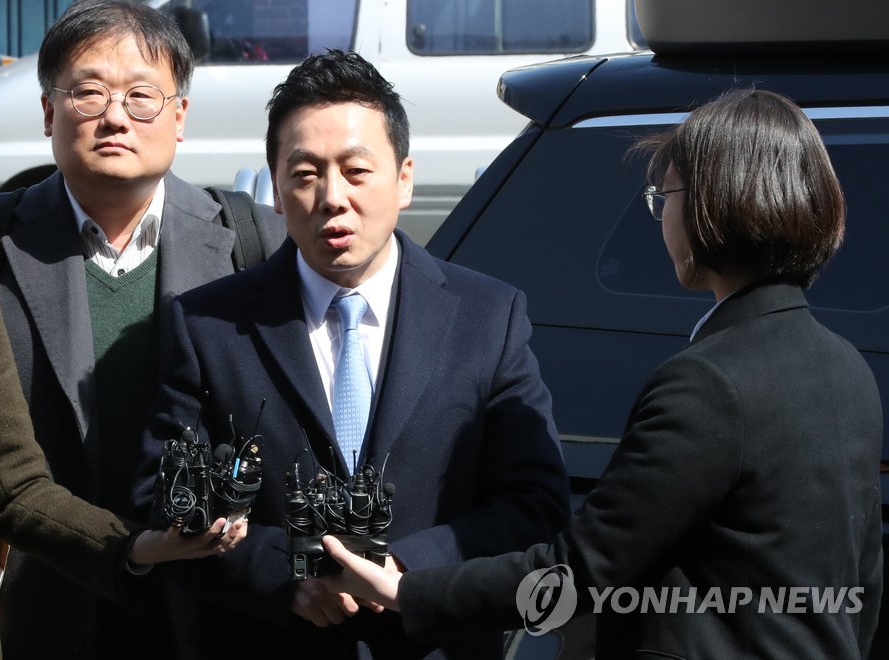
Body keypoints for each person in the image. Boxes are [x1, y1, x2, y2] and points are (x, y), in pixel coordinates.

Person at [319, 88, 885, 659]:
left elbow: (584, 569)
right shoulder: (848, 368)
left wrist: (407, 592)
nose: (661, 215)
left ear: (713, 205)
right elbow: (862, 583)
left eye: (665, 195)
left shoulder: (708, 385)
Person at [132, 49, 570, 659]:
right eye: (305, 174)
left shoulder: (487, 317)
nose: (332, 197)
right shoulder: (208, 325)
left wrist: (402, 570)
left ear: (404, 179)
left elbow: (535, 502)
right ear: (276, 189)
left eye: (357, 171)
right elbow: (161, 497)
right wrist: (287, 575)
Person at [0, 1, 285, 658]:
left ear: (180, 116)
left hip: (209, 610)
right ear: (48, 112)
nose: (115, 117)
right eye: (88, 93)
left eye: (141, 97)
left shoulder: (251, 242)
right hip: (37, 611)